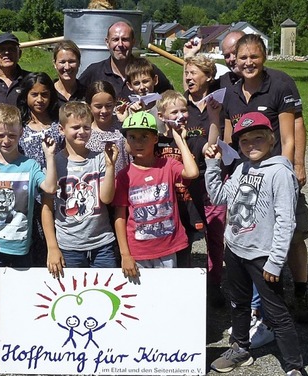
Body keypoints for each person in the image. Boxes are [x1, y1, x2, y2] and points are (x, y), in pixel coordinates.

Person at [223, 33, 308, 324]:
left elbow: (289, 135)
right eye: (243, 57)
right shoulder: (232, 92)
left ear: (264, 57)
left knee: (293, 232)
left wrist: (293, 167)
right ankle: (254, 300)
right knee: (251, 236)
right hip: (247, 177)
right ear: (234, 60)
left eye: (254, 57)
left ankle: (300, 293)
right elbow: (228, 139)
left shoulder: (280, 84)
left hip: (275, 174)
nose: (248, 62)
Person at [205, 112, 303, 376]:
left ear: (271, 139)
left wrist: (276, 260)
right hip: (235, 249)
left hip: (262, 256)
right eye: (245, 140)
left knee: (276, 312)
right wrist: (213, 165)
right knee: (238, 303)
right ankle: (240, 348)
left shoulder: (280, 173)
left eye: (258, 138)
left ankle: (294, 367)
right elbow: (218, 197)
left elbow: (286, 221)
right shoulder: (241, 168)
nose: (251, 144)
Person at [0, 104, 58, 372]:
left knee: (21, 295)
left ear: (20, 132)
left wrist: (50, 156)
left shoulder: (30, 165)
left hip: (22, 245)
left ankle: (21, 340)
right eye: (0, 136)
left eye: (11, 135)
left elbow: (50, 187)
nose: (6, 140)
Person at [112, 111, 199, 277]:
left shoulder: (168, 165)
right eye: (132, 137)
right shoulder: (124, 175)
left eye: (144, 136)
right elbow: (120, 216)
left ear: (155, 139)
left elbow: (192, 172)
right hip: (138, 251)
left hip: (167, 248)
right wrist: (125, 254)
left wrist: (180, 140)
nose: (138, 142)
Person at [42, 102, 119, 278]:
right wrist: (52, 247)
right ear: (62, 129)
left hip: (102, 243)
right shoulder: (54, 162)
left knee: (104, 293)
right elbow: (46, 207)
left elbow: (106, 199)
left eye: (86, 127)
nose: (81, 132)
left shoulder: (99, 158)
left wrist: (109, 166)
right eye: (75, 127)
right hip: (69, 246)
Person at [182, 54, 226, 307]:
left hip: (211, 176)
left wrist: (213, 116)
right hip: (186, 178)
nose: (188, 77)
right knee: (184, 231)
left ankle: (214, 283)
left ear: (208, 77)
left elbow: (216, 141)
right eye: (186, 73)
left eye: (194, 73)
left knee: (215, 231)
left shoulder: (217, 104)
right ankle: (185, 281)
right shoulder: (180, 104)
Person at [155, 90, 208, 268]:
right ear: (162, 116)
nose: (180, 116)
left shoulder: (194, 139)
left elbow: (207, 147)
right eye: (174, 112)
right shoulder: (155, 141)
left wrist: (180, 140)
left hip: (188, 208)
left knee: (184, 258)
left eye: (183, 110)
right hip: (164, 211)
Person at [16, 72, 64, 266]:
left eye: (44, 94)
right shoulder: (20, 127)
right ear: (26, 96)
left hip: (57, 195)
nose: (40, 99)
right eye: (34, 94)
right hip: (28, 198)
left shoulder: (58, 125)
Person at [78, 20, 173, 100]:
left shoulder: (147, 70)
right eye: (115, 39)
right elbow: (75, 98)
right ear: (107, 42)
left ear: (133, 42)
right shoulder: (94, 72)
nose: (120, 44)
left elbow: (171, 98)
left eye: (125, 39)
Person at [84, 80, 129, 173]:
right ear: (89, 106)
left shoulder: (122, 129)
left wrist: (125, 123)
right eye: (98, 106)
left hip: (123, 182)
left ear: (114, 103)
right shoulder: (85, 134)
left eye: (108, 105)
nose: (104, 111)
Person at [52, 40, 86, 108]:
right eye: (62, 62)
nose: (67, 67)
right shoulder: (48, 93)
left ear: (79, 63)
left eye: (71, 61)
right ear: (54, 64)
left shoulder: (87, 94)